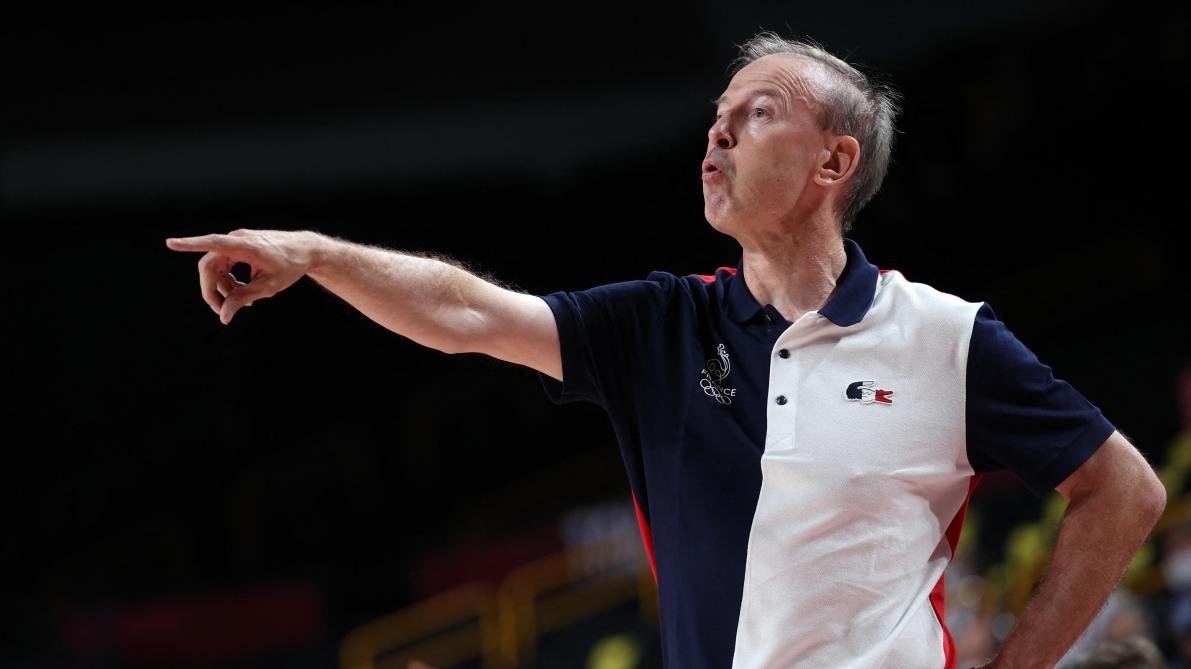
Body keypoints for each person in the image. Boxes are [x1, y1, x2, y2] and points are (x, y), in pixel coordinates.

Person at [166, 32, 1167, 669]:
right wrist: (316, 255)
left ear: (835, 160)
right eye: (715, 121)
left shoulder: (945, 340)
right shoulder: (660, 325)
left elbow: (1124, 489)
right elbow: (470, 314)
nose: (716, 139)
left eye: (755, 115)